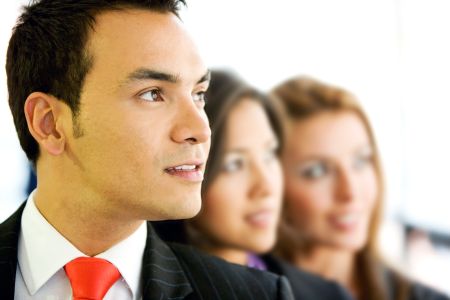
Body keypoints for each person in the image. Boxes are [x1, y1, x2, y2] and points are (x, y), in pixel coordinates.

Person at [0, 1, 294, 299]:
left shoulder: (258, 294)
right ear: (49, 123)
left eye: (198, 94)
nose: (200, 130)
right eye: (153, 94)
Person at [154, 70, 353, 300]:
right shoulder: (134, 286)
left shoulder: (327, 295)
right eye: (234, 164)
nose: (266, 187)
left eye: (269, 154)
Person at [270, 76, 449, 300]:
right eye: (317, 171)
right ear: (273, 181)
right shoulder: (242, 289)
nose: (350, 192)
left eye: (361, 161)